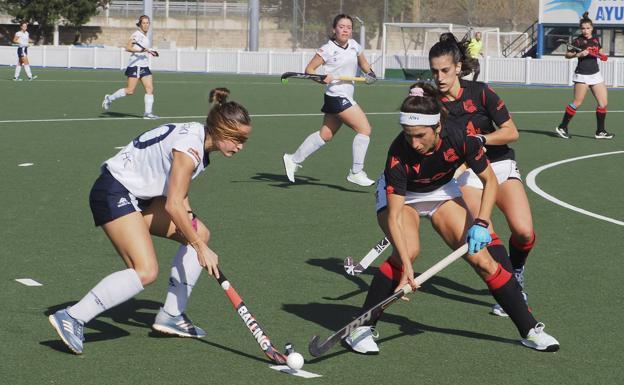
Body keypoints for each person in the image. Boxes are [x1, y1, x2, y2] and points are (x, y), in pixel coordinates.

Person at [344, 83, 559, 354]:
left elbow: (489, 181)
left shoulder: (461, 137)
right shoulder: (398, 154)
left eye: (420, 135)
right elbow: (395, 215)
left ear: (437, 128)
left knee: (483, 260)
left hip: (441, 191)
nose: (414, 143)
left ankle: (529, 330)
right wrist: (408, 267)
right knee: (408, 250)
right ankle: (361, 329)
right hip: (404, 196)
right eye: (408, 134)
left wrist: (481, 222)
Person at [48, 88, 251, 354]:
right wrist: (201, 249)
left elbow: (179, 195)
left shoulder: (200, 142)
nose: (240, 146)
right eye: (237, 139)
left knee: (200, 232)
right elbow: (173, 204)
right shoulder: (189, 149)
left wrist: (196, 236)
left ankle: (172, 315)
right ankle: (73, 316)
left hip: (141, 198)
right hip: (115, 191)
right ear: (222, 130)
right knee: (146, 271)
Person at [428, 36, 536, 317]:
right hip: (467, 175)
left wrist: (482, 140)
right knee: (484, 230)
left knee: (524, 232)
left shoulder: (481, 93)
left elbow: (512, 132)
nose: (439, 78)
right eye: (435, 71)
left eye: (445, 71)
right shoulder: (433, 105)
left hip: (499, 165)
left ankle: (517, 270)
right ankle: (511, 290)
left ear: (458, 67)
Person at [282, 14, 377, 187]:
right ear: (334, 30)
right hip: (336, 95)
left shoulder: (355, 46)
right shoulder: (327, 49)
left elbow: (364, 64)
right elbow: (310, 69)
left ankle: (293, 159)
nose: (345, 30)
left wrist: (371, 74)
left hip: (346, 95)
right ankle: (356, 172)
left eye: (348, 27)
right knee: (365, 129)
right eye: (341, 26)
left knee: (325, 135)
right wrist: (320, 78)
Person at [555, 12, 613, 139]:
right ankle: (562, 127)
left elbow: (600, 51)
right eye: (583, 28)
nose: (585, 30)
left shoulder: (596, 39)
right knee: (577, 102)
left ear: (592, 28)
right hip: (582, 75)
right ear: (580, 29)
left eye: (588, 28)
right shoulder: (578, 41)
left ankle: (600, 131)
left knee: (603, 103)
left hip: (595, 74)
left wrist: (602, 55)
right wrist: (578, 54)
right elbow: (567, 55)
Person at [102, 15, 159, 119]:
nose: (146, 25)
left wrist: (150, 51)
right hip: (135, 66)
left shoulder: (145, 36)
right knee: (130, 90)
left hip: (144, 66)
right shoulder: (136, 35)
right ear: (140, 24)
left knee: (150, 88)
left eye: (147, 23)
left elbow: (144, 48)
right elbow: (128, 47)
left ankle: (148, 113)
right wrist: (141, 50)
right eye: (144, 23)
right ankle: (109, 98)